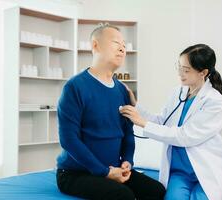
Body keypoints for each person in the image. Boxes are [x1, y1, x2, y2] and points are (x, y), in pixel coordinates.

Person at [120, 44, 222, 200]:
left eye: (186, 70)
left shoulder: (214, 101)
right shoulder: (178, 92)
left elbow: (184, 136)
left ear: (203, 72)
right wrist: (136, 106)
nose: (180, 74)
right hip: (179, 172)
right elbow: (163, 121)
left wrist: (143, 123)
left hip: (207, 170)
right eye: (179, 67)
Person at [55, 23, 165, 200]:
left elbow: (128, 134)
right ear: (95, 45)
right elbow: (69, 140)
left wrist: (127, 161)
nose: (122, 48)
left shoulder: (122, 91)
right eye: (116, 42)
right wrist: (104, 172)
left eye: (124, 45)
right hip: (75, 173)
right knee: (123, 196)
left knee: (156, 191)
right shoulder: (75, 87)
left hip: (114, 168)